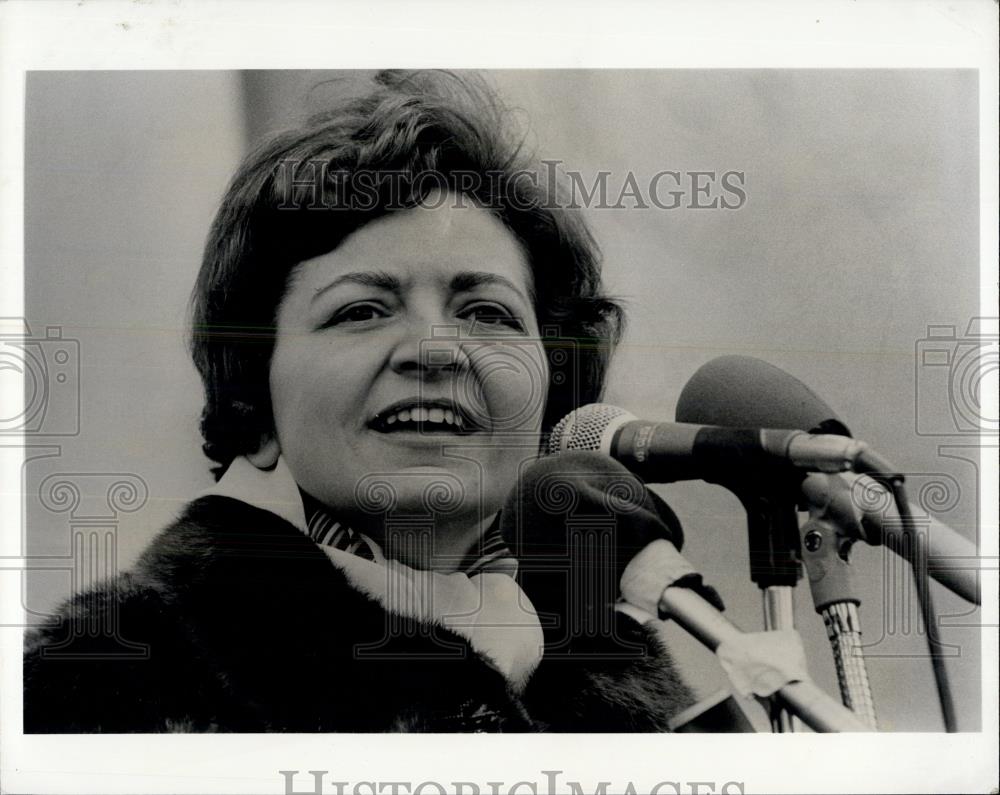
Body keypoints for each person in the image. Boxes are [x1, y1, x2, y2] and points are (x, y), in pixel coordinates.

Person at [23, 70, 700, 732]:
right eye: (362, 310)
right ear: (253, 400)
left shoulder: (650, 699)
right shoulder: (94, 685)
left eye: (488, 312)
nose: (435, 350)